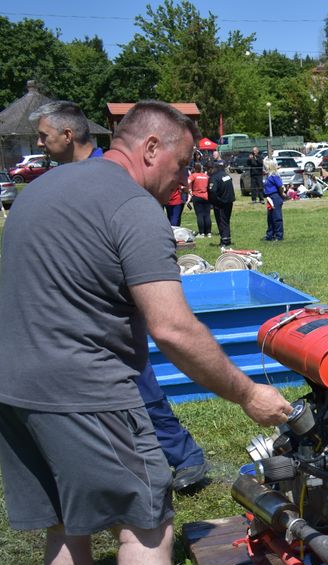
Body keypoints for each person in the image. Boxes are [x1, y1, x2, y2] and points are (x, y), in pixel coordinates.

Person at [0, 100, 293, 565]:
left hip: (12, 386)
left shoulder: (42, 191)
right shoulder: (133, 206)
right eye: (180, 166)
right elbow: (172, 329)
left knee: (62, 524)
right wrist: (251, 392)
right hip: (88, 390)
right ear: (150, 148)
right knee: (147, 526)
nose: (183, 181)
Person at [30, 99, 212, 493]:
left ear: (67, 134)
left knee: (140, 385)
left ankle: (184, 455)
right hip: (70, 356)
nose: (40, 144)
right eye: (181, 165)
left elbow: (171, 326)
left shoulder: (126, 194)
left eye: (44, 136)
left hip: (94, 348)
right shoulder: (67, 184)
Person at [208, 159, 235, 246]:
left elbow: (212, 191)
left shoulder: (214, 177)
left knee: (221, 221)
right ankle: (227, 238)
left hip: (220, 203)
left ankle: (225, 240)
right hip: (229, 201)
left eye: (207, 169)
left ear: (211, 168)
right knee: (226, 220)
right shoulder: (225, 175)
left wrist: (215, 202)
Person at [187, 161, 211, 238]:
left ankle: (202, 233)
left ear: (194, 169)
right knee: (207, 215)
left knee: (200, 215)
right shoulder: (206, 176)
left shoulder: (193, 176)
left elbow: (187, 182)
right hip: (206, 196)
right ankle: (209, 232)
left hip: (197, 196)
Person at [262, 160, 284, 240]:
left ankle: (279, 235)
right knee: (270, 217)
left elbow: (280, 186)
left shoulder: (274, 176)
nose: (264, 168)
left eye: (265, 166)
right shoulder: (268, 176)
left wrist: (282, 195)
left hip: (275, 197)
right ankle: (270, 235)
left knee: (277, 217)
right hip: (269, 197)